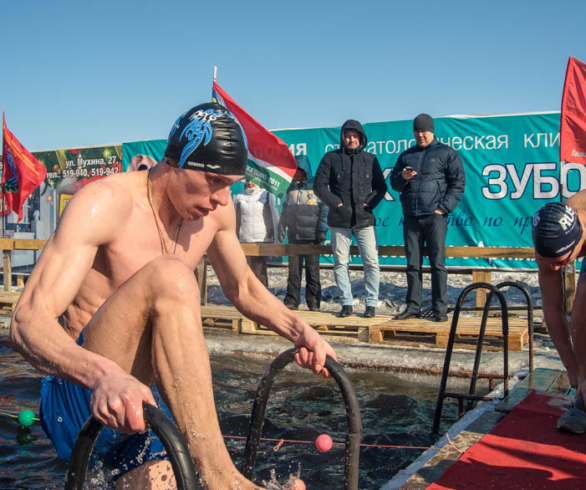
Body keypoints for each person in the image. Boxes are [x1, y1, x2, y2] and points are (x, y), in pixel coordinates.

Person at [10, 102, 334, 489]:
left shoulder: (214, 215)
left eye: (230, 186)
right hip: (80, 393)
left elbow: (243, 287)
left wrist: (302, 332)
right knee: (172, 275)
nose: (222, 200)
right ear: (176, 163)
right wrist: (104, 376)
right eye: (215, 182)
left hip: (143, 397)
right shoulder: (105, 204)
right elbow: (26, 320)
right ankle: (224, 481)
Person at [390, 114, 465, 323]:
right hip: (411, 217)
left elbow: (458, 183)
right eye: (417, 131)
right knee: (413, 264)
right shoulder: (406, 155)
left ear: (432, 131)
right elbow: (394, 184)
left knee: (437, 264)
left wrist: (443, 209)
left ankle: (440, 307)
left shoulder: (446, 153)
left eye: (424, 131)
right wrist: (402, 178)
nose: (420, 135)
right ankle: (413, 306)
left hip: (435, 218)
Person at [313, 119, 387, 318]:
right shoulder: (331, 158)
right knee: (340, 263)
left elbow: (381, 188)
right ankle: (346, 303)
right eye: (347, 136)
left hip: (364, 221)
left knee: (371, 262)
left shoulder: (370, 159)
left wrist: (369, 204)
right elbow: (319, 186)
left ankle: (371, 304)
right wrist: (336, 203)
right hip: (339, 221)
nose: (351, 139)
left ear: (361, 138)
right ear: (342, 138)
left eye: (355, 136)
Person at [532, 197, 586, 434]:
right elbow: (552, 307)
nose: (555, 269)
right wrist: (573, 369)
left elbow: (581, 322)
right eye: (549, 262)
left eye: (562, 262)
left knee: (581, 315)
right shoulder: (549, 234)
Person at [278, 155, 328, 311]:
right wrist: (281, 226)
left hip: (312, 238)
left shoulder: (316, 187)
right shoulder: (290, 188)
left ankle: (313, 302)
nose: (297, 174)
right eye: (295, 171)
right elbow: (285, 210)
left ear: (306, 171)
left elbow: (325, 209)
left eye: (300, 171)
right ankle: (292, 301)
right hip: (294, 237)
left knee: (312, 273)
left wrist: (321, 229)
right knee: (293, 273)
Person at [233, 179, 280, 287]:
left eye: (253, 181)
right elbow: (234, 219)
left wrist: (276, 238)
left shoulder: (267, 195)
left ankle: (262, 298)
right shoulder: (239, 196)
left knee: (260, 271)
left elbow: (274, 217)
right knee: (245, 271)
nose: (250, 183)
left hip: (262, 239)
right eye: (248, 181)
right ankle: (246, 299)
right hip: (244, 239)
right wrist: (234, 238)